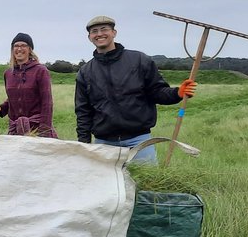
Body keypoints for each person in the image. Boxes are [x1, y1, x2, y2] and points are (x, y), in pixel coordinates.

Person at [75, 15, 196, 164]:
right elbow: (83, 111)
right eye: (94, 31)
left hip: (139, 142)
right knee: (107, 187)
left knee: (146, 186)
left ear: (114, 33)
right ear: (89, 37)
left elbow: (157, 92)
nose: (99, 34)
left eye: (104, 29)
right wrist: (84, 144)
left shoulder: (139, 60)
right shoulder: (85, 72)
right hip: (103, 144)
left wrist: (177, 93)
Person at [0, 32, 58, 138]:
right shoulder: (8, 73)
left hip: (36, 129)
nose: (19, 49)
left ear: (30, 49)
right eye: (16, 46)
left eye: (23, 45)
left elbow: (47, 103)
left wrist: (44, 132)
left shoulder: (40, 71)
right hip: (16, 130)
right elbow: (12, 100)